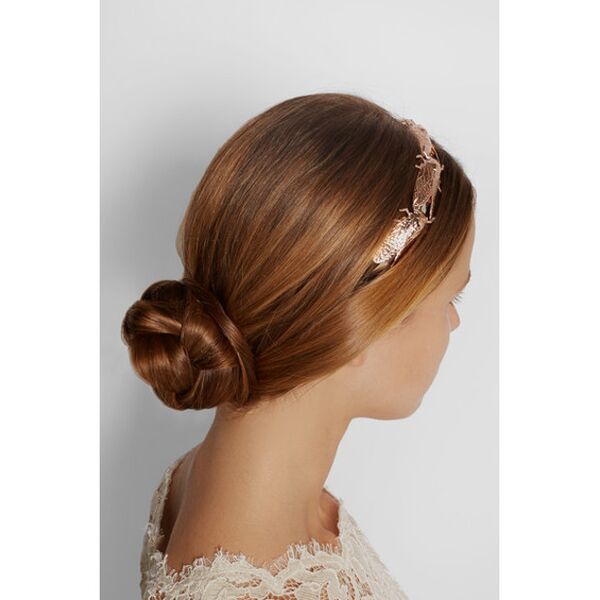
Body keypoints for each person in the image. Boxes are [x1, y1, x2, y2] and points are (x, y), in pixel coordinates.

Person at [121, 92, 477, 599]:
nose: (455, 322)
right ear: (361, 324)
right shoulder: (262, 584)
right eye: (450, 298)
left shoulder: (216, 478)